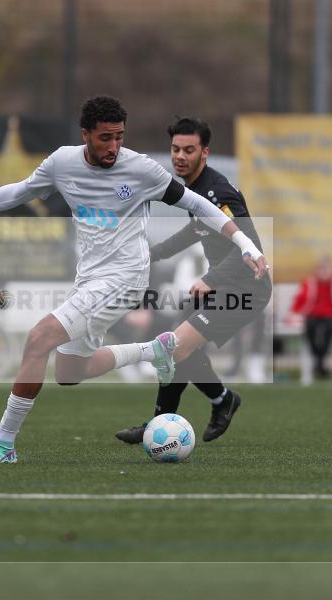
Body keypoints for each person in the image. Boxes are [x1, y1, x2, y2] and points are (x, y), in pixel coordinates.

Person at [0, 97, 268, 464]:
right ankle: (154, 350)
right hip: (90, 279)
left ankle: (3, 444)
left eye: (119, 137)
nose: (114, 147)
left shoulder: (140, 169)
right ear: (85, 134)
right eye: (105, 138)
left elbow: (197, 205)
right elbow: (20, 190)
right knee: (69, 371)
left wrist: (244, 242)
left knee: (37, 339)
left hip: (125, 278)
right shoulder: (62, 162)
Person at [114, 116, 272, 445]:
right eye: (175, 149)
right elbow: (195, 230)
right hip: (223, 288)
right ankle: (217, 402)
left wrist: (210, 278)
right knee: (174, 349)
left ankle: (202, 408)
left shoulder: (218, 193)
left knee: (174, 348)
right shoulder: (194, 190)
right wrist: (151, 254)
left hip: (246, 290)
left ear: (205, 153)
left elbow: (248, 244)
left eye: (189, 150)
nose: (180, 156)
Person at [288, 255, 332, 379]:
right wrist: (295, 312)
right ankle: (319, 360)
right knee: (309, 327)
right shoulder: (309, 282)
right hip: (313, 314)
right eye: (321, 268)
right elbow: (301, 299)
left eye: (326, 268)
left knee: (329, 329)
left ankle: (319, 361)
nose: (323, 271)